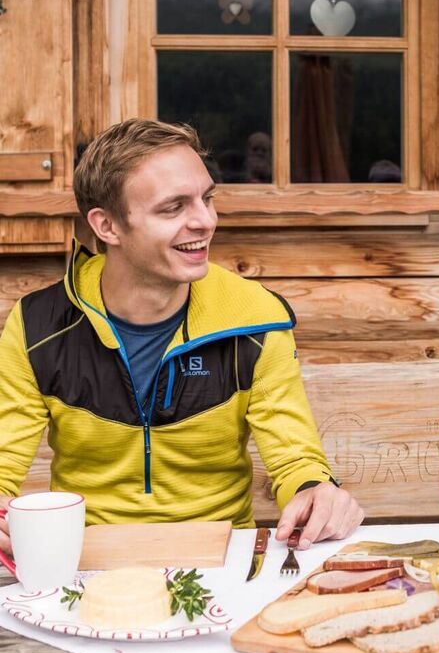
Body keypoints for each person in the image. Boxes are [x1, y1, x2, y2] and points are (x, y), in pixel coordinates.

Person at [0, 119, 364, 561]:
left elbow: (295, 460)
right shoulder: (39, 324)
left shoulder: (255, 317)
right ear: (107, 226)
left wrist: (316, 492)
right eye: (174, 208)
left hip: (223, 566)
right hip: (85, 566)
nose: (206, 221)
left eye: (207, 198)